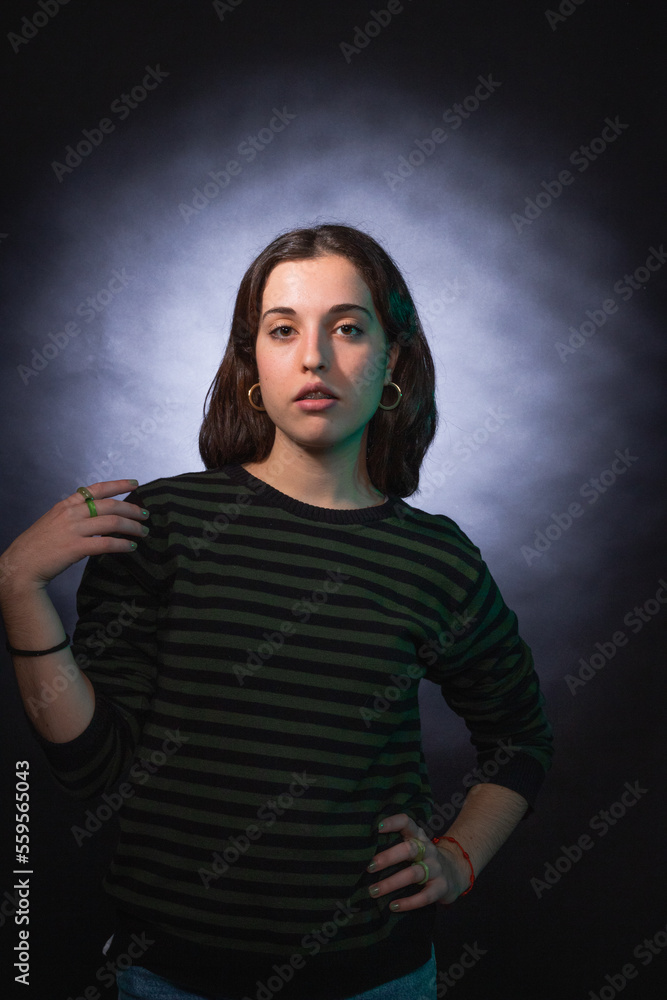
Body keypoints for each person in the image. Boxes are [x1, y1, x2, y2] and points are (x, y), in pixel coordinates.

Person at [0, 224, 553, 1000]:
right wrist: (19, 589)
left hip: (375, 982)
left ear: (392, 360)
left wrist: (458, 858)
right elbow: (94, 765)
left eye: (347, 328)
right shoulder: (164, 525)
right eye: (283, 329)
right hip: (170, 980)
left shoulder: (437, 558)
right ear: (251, 363)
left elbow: (519, 738)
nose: (314, 357)